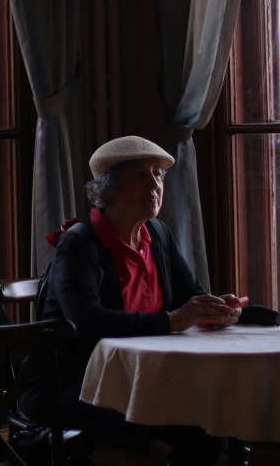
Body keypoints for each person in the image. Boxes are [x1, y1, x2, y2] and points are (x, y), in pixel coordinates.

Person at [19, 136, 245, 466]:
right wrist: (172, 320)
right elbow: (89, 323)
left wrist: (216, 308)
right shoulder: (80, 244)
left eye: (158, 174)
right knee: (192, 427)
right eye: (140, 174)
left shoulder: (158, 234)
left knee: (214, 427)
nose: (154, 183)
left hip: (141, 379)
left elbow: (191, 295)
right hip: (76, 385)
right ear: (107, 189)